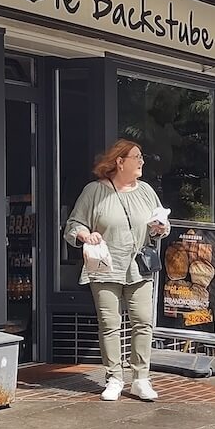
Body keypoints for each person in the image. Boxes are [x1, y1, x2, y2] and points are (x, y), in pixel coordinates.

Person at [64, 140, 169, 401]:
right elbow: (74, 224)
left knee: (143, 321)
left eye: (141, 157)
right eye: (137, 157)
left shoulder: (146, 191)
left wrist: (160, 228)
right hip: (105, 266)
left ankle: (141, 379)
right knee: (109, 324)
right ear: (120, 162)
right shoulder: (94, 191)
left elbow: (160, 225)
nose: (142, 161)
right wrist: (86, 235)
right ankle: (114, 378)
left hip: (138, 267)